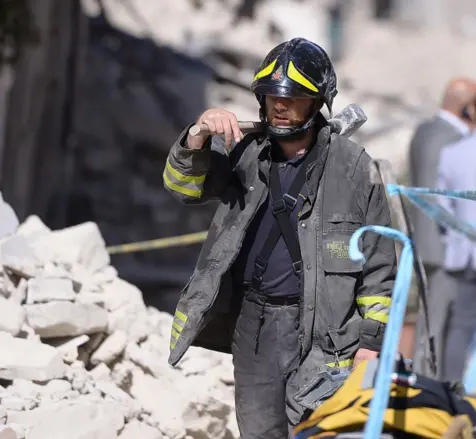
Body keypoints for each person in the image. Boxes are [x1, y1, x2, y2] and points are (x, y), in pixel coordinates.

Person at [162, 37, 397, 439]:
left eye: (295, 98)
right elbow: (183, 186)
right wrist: (197, 135)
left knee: (315, 432)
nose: (280, 106)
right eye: (272, 97)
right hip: (254, 329)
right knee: (259, 431)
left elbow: (379, 267)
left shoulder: (353, 167)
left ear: (318, 102)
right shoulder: (247, 154)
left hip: (326, 336)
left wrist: (371, 345)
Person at [409, 78, 476, 378]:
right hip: (447, 245)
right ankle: (431, 386)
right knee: (442, 324)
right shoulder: (453, 140)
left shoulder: (425, 131)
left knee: (430, 321)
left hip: (425, 241)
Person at [437, 126, 476, 382]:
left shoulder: (453, 153)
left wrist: (455, 238)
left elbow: (441, 206)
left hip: (466, 255)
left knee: (460, 326)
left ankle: (453, 391)